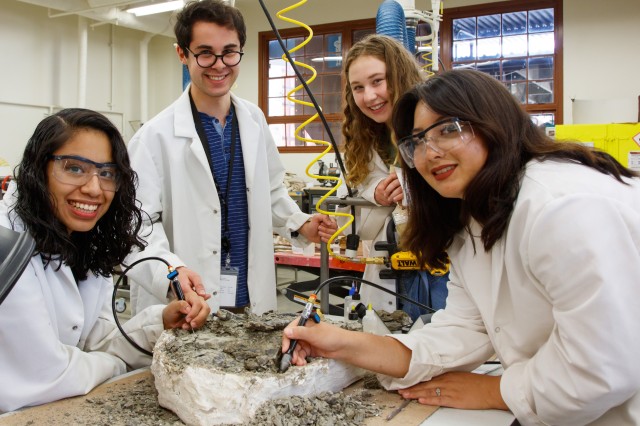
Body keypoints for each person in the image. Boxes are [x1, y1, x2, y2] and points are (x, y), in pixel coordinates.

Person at [282, 69, 640, 424]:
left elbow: (600, 368)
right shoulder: (475, 216)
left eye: (448, 129)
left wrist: (495, 391)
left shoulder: (561, 207)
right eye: (416, 141)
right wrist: (343, 343)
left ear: (492, 122)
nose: (429, 152)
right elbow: (465, 328)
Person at [125, 0, 336, 316]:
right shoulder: (154, 136)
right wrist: (171, 271)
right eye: (205, 52)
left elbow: (272, 191)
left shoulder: (254, 120)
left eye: (230, 51)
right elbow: (138, 226)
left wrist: (299, 222)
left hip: (248, 294)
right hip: (188, 298)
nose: (219, 64)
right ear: (182, 54)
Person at [0, 108, 210, 413]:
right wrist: (113, 366)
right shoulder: (8, 244)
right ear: (38, 169)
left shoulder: (80, 240)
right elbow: (44, 375)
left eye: (107, 173)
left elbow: (95, 341)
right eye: (74, 168)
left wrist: (160, 323)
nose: (94, 188)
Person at [338, 34, 447, 317]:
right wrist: (376, 192)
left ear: (399, 76)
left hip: (441, 266)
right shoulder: (363, 138)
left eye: (378, 81)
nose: (369, 96)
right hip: (387, 269)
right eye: (358, 87)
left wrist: (414, 188)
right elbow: (345, 205)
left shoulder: (438, 123)